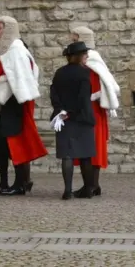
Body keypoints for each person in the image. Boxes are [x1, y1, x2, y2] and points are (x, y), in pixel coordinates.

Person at [0, 16, 47, 195]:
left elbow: (21, 81)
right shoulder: (2, 51)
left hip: (15, 105)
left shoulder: (17, 50)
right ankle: (4, 182)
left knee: (16, 144)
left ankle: (20, 184)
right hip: (3, 106)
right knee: (0, 144)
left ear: (8, 29)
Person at [70, 26, 120, 197]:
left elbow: (93, 87)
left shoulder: (90, 61)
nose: (73, 42)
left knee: (90, 147)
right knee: (92, 146)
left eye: (75, 39)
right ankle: (93, 184)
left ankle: (90, 186)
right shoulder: (92, 60)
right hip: (92, 109)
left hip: (90, 109)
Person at [50, 41, 95, 200]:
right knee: (85, 155)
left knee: (67, 156)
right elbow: (83, 97)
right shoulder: (84, 73)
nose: (86, 57)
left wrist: (61, 110)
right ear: (77, 56)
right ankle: (88, 190)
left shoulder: (59, 72)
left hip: (63, 118)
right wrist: (74, 112)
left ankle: (67, 191)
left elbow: (53, 94)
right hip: (81, 118)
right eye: (84, 54)